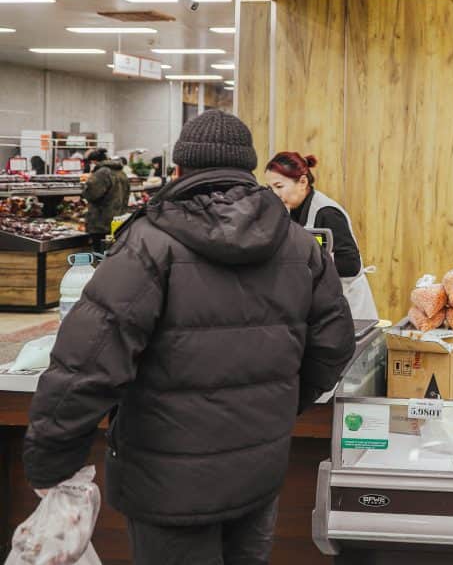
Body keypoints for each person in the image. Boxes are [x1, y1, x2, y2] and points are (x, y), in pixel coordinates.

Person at [23, 110, 356, 565]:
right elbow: (335, 343)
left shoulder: (148, 243)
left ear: (179, 170)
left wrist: (51, 460)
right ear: (247, 170)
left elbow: (88, 361)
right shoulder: (298, 244)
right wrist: (280, 401)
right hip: (257, 473)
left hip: (166, 485)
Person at [265, 151, 379, 321]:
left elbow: (350, 265)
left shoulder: (327, 213)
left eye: (279, 186)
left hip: (349, 306)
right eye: (269, 188)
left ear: (303, 182)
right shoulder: (289, 212)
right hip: (320, 305)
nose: (274, 194)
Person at [80, 147, 130, 255]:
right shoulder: (121, 172)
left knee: (100, 256)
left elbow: (91, 194)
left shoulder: (102, 173)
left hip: (101, 223)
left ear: (93, 161)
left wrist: (85, 188)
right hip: (118, 221)